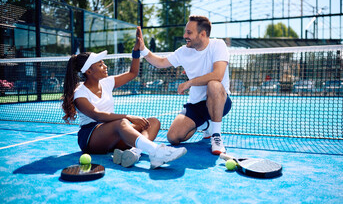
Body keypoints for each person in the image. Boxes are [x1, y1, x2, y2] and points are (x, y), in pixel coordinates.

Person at [61, 27, 187, 169]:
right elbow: (98, 115)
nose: (105, 66)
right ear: (89, 71)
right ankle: (157, 151)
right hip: (91, 138)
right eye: (100, 64)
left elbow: (133, 73)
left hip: (112, 134)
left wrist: (136, 50)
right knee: (121, 123)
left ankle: (135, 153)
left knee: (152, 122)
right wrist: (129, 117)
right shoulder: (80, 93)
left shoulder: (107, 82)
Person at [138, 15, 232, 155]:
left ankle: (216, 136)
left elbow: (218, 75)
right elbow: (161, 62)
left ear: (203, 34)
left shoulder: (218, 45)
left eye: (189, 32)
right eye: (185, 31)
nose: (184, 35)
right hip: (195, 105)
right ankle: (205, 124)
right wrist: (143, 49)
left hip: (220, 101)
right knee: (173, 137)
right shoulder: (183, 51)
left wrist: (190, 82)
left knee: (214, 84)